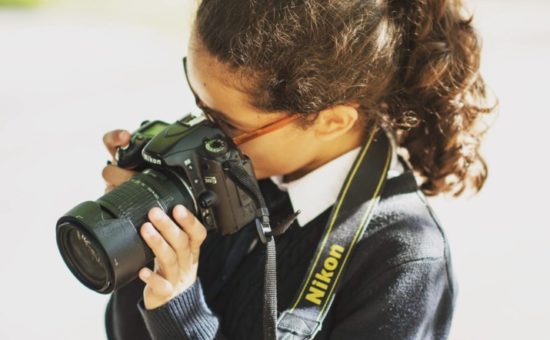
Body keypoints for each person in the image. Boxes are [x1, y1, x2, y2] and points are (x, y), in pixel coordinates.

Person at [101, 0, 496, 339]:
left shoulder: (401, 262)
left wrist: (179, 311)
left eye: (228, 125)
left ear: (331, 121)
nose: (204, 135)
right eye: (199, 105)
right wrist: (143, 247)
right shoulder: (230, 173)